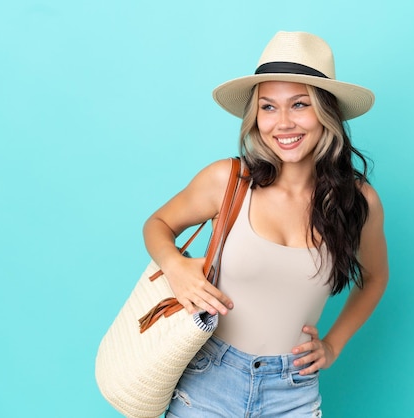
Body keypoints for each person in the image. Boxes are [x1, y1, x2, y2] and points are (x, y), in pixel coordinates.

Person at [143, 31, 389, 417]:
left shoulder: (359, 202)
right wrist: (174, 266)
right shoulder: (228, 180)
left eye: (299, 105)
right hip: (207, 380)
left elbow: (375, 277)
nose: (283, 123)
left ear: (327, 112)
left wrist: (333, 345)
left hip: (292, 392)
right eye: (268, 107)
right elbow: (157, 223)